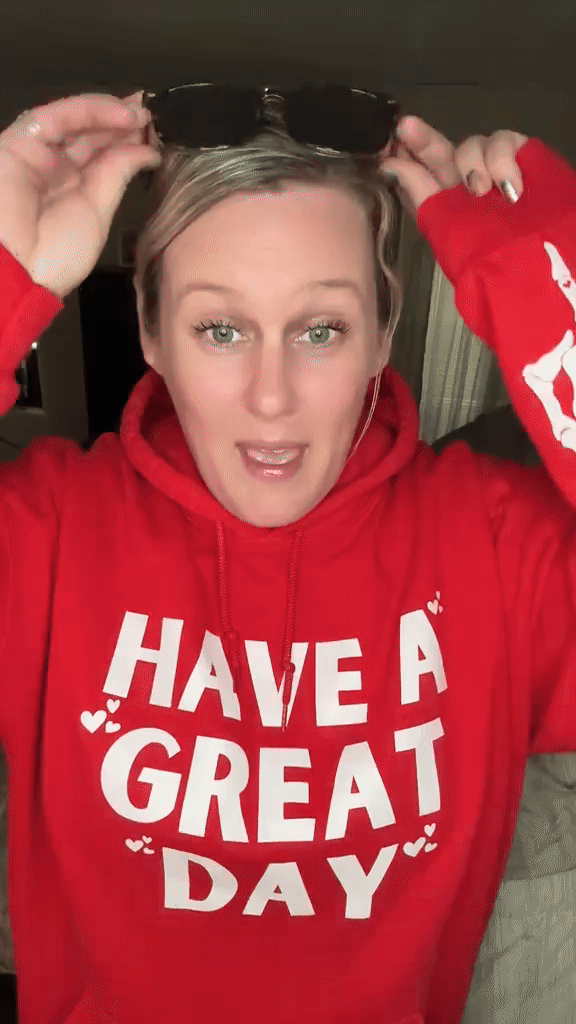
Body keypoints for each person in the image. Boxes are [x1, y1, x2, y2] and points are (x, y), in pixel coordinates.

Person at [0, 83, 574, 1024]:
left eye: (321, 329)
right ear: (151, 333)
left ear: (383, 331)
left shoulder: (498, 546)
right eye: (220, 329)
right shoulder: (47, 536)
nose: (271, 398)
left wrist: (548, 290)